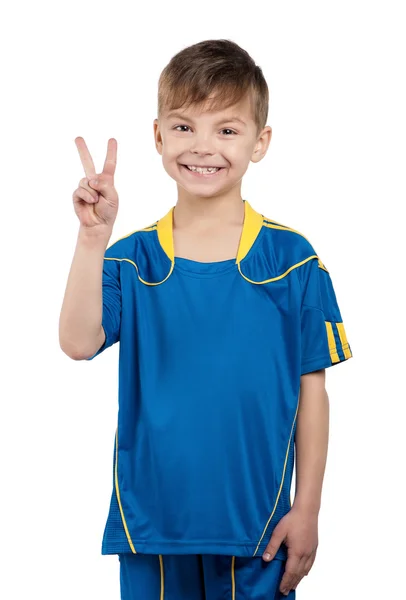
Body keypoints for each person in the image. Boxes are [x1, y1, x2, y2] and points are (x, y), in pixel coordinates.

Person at [59, 39, 353, 599]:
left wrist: (308, 508)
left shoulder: (293, 262)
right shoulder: (131, 258)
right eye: (184, 126)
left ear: (259, 142)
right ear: (158, 136)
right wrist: (92, 239)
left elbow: (311, 388)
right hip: (153, 528)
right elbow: (76, 342)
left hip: (261, 528)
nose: (203, 147)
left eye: (227, 129)